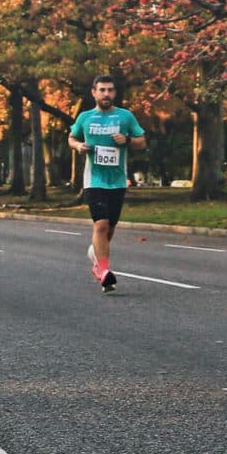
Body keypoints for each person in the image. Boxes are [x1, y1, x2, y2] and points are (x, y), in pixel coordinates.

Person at [68, 76, 144, 292]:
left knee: (109, 229)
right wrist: (79, 146)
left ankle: (96, 259)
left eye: (110, 90)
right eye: (102, 90)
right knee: (100, 225)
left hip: (117, 181)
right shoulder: (85, 117)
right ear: (94, 92)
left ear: (115, 93)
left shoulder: (125, 117)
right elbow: (71, 137)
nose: (106, 94)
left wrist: (127, 140)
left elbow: (141, 141)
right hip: (94, 180)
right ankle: (103, 272)